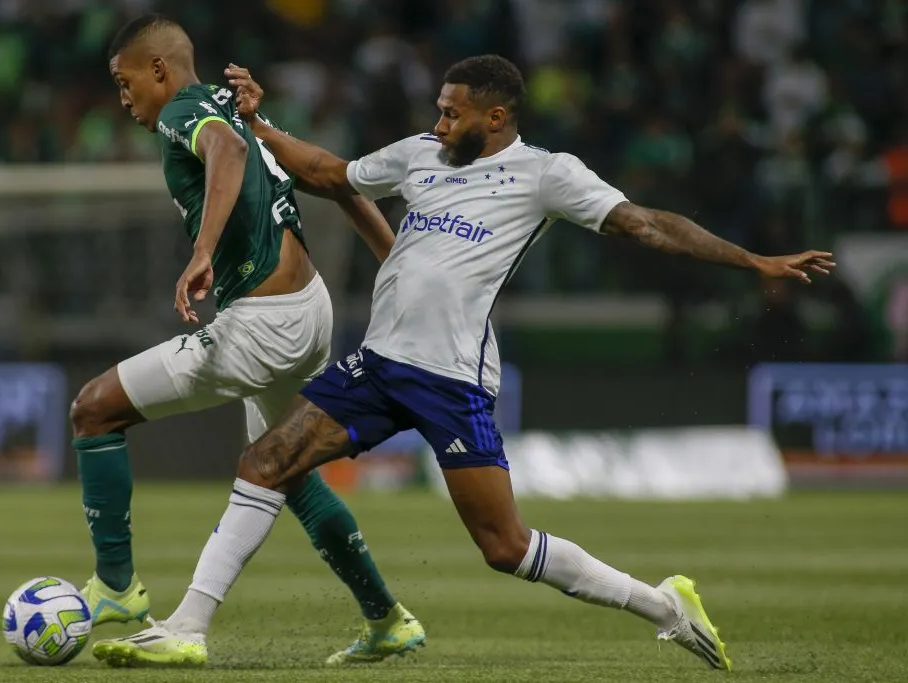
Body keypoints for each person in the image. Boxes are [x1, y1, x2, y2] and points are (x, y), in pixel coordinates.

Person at [108, 54, 836, 671]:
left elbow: (646, 224)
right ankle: (187, 627)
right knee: (265, 461)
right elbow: (332, 174)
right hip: (380, 365)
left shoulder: (546, 174)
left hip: (452, 380)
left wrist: (753, 260)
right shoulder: (420, 155)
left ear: (497, 119)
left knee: (505, 547)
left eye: (453, 113)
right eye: (438, 109)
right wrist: (255, 124)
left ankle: (663, 603)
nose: (439, 123)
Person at [72, 15, 425, 668]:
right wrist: (395, 258)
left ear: (159, 69)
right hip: (307, 306)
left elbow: (227, 158)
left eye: (125, 84)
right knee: (286, 469)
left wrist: (202, 250)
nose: (123, 100)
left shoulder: (188, 107)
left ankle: (122, 590)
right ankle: (386, 617)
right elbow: (332, 178)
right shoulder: (240, 113)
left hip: (264, 322)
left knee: (94, 409)